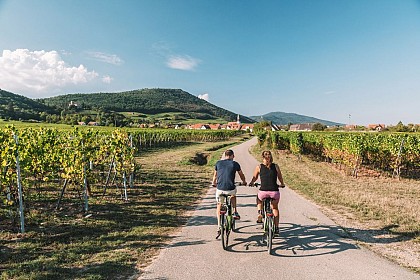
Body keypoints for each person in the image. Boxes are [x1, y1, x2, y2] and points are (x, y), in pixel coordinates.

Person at [248, 150, 285, 235]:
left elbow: (255, 178)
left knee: (259, 198)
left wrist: (251, 183)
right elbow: (280, 177)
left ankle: (260, 212)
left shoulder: (259, 167)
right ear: (271, 157)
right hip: (274, 192)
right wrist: (282, 184)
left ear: (262, 157)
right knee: (275, 208)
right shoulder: (276, 166)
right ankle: (276, 228)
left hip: (263, 192)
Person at [212, 149, 247, 239]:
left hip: (220, 189)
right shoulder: (235, 164)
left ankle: (219, 226)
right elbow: (241, 174)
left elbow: (215, 176)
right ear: (232, 156)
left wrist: (213, 183)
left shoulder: (218, 163)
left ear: (225, 155)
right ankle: (235, 211)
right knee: (233, 195)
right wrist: (244, 182)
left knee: (219, 205)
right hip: (230, 188)